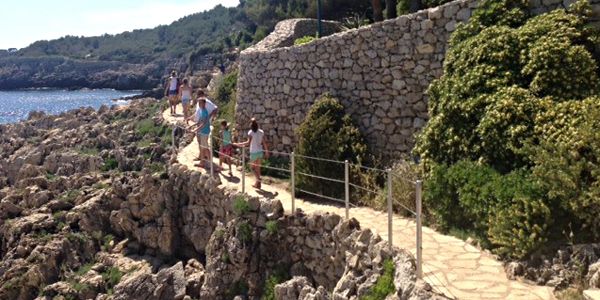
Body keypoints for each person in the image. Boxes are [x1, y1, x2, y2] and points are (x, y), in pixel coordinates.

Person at [234, 118, 269, 189]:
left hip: (253, 152)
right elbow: (264, 143)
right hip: (260, 151)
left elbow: (248, 143)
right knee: (258, 168)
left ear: (251, 125)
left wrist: (237, 144)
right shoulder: (261, 132)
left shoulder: (251, 132)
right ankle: (258, 184)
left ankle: (258, 179)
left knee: (252, 168)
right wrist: (267, 152)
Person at [187, 98, 211, 170]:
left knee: (205, 147)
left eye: (200, 103)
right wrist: (191, 126)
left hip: (204, 131)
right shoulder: (201, 110)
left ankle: (209, 163)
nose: (199, 104)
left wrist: (195, 130)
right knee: (202, 147)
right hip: (201, 131)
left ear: (204, 103)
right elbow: (199, 121)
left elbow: (203, 124)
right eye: (199, 103)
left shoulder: (205, 112)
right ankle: (202, 162)